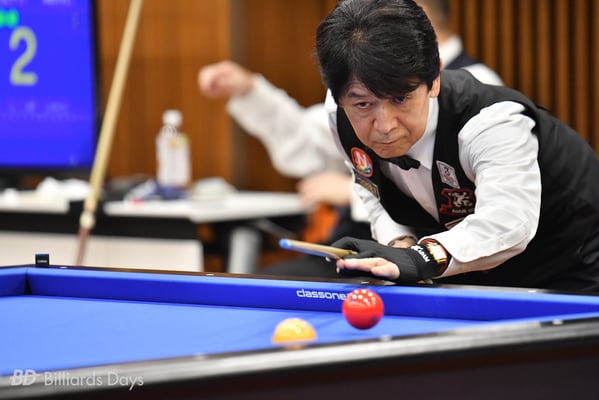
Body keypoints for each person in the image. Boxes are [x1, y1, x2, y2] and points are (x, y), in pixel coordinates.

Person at [197, 0, 503, 278]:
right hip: (368, 246)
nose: (384, 125)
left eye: (400, 99)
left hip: (441, 263)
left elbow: (490, 210)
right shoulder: (358, 85)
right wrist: (250, 91)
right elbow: (310, 144)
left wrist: (349, 191)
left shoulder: (476, 95)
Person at [314, 0, 599, 291]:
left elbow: (507, 221)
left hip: (575, 261)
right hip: (472, 271)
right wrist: (399, 245)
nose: (385, 125)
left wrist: (419, 258)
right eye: (363, 104)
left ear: (435, 78)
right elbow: (370, 184)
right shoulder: (339, 114)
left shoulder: (490, 122)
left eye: (400, 98)